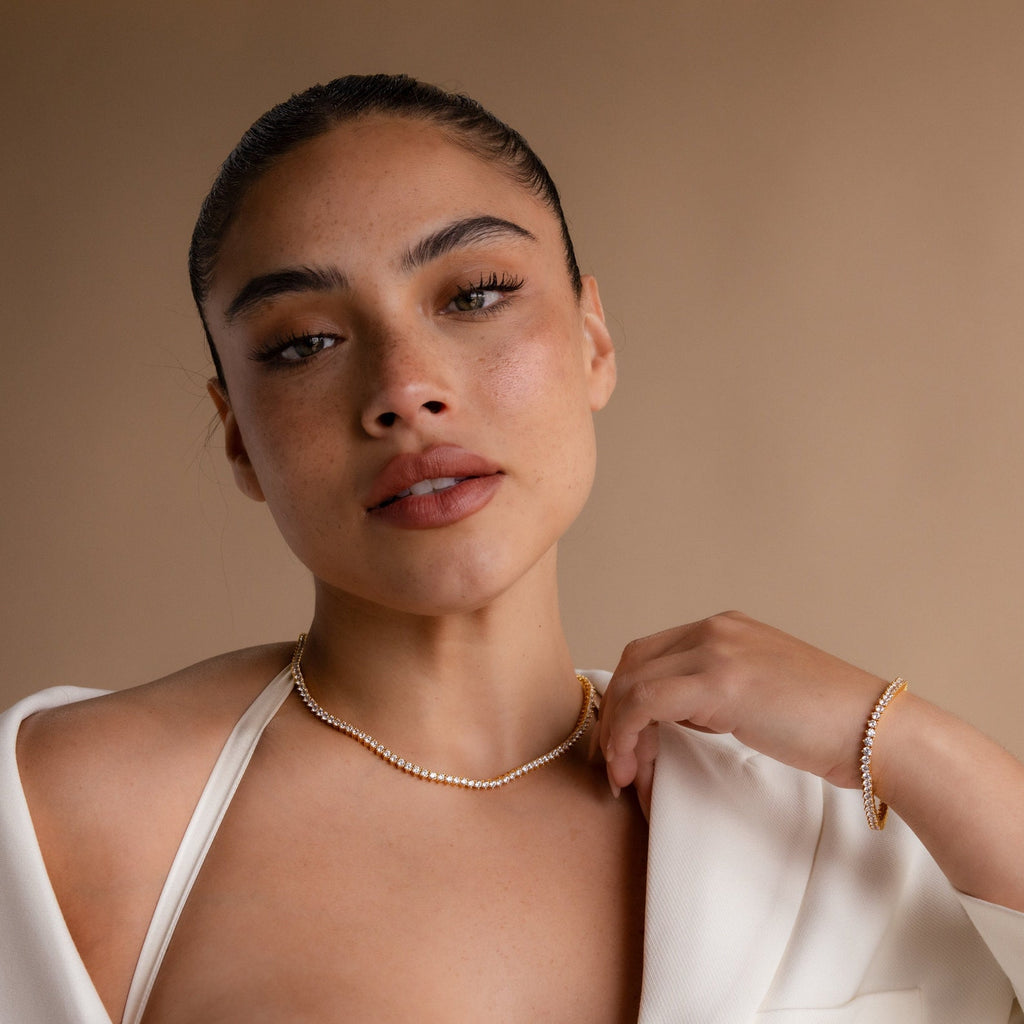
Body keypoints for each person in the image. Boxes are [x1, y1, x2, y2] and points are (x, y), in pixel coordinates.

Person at [1, 74, 1022, 1024]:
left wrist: (897, 736)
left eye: (474, 293)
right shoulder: (72, 816)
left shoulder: (835, 816)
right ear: (239, 439)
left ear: (592, 342)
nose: (405, 385)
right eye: (304, 343)